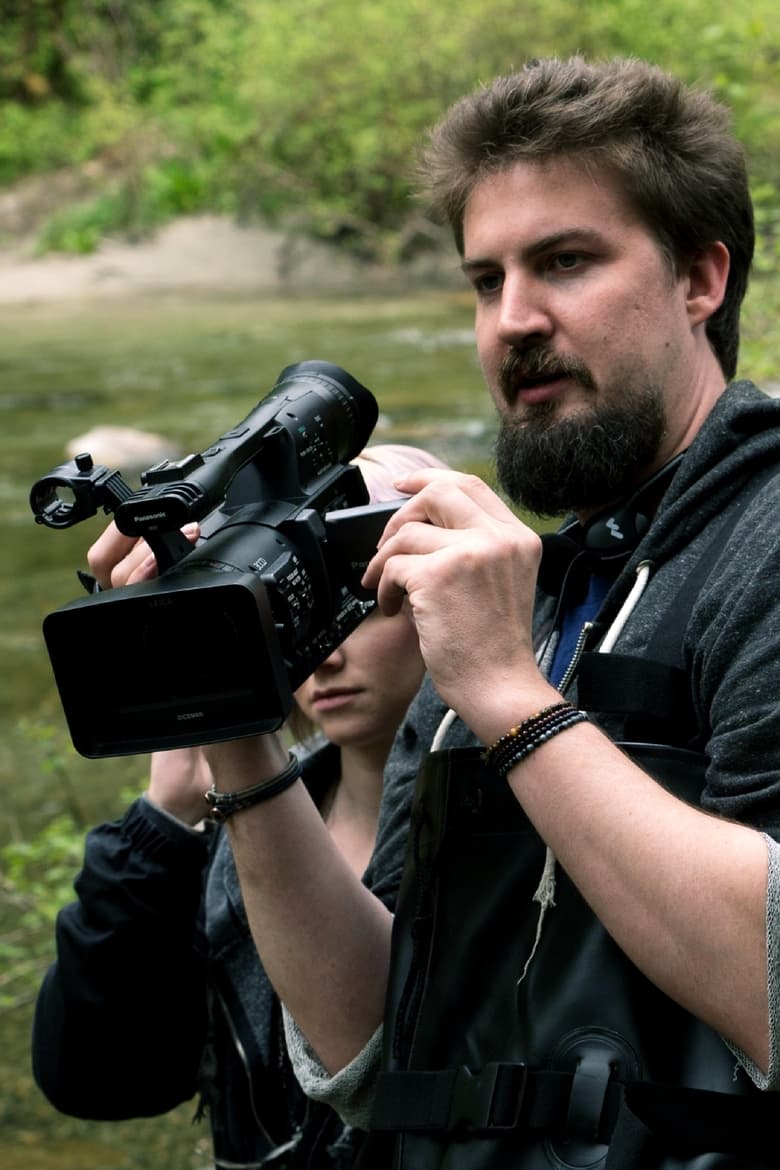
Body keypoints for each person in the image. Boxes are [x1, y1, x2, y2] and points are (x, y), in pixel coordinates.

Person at [154, 56, 780, 1169]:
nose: (514, 321)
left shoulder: (763, 542)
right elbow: (376, 1045)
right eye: (486, 280)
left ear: (701, 278)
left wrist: (508, 694)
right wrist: (233, 711)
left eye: (567, 262)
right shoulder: (505, 579)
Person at [31, 443, 446, 1170]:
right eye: (289, 597)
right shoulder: (230, 839)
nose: (327, 650)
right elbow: (97, 1079)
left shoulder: (507, 830)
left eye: (363, 596)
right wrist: (163, 822)